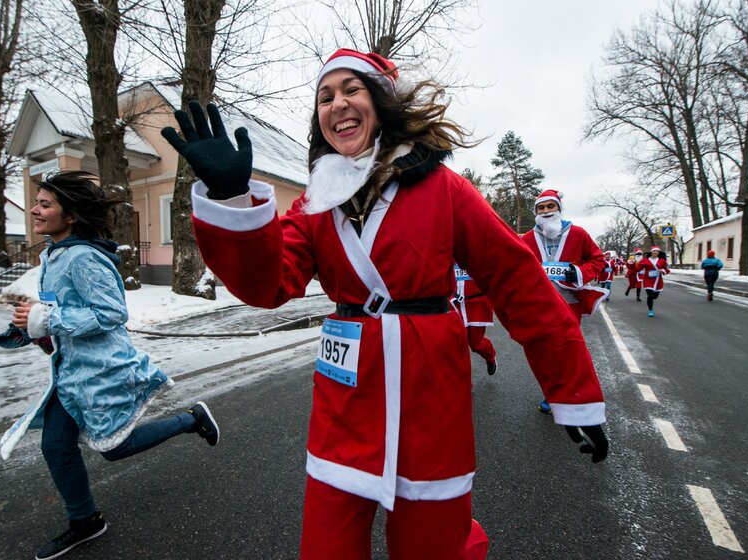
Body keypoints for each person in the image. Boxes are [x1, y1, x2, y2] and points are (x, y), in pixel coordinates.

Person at [161, 48, 608, 560]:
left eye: (352, 90)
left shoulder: (445, 188)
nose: (337, 104)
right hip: (342, 406)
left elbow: (517, 280)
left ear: (382, 102)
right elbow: (270, 284)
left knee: (432, 548)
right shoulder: (315, 203)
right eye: (325, 97)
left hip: (432, 400)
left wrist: (572, 392)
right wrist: (231, 196)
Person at [8, 171, 221, 560]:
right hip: (69, 373)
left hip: (99, 372)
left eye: (44, 204)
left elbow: (111, 313)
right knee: (56, 446)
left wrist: (47, 320)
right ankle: (85, 520)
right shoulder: (54, 254)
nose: (35, 210)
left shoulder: (83, 257)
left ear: (70, 216)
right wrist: (32, 327)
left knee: (113, 449)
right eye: (37, 201)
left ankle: (191, 418)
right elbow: (63, 311)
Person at [520, 189, 607, 414]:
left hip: (570, 302)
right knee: (546, 350)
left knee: (567, 348)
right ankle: (552, 393)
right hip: (541, 304)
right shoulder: (527, 239)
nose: (547, 211)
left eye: (551, 206)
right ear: (536, 212)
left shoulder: (578, 234)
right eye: (541, 208)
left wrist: (579, 272)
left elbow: (597, 259)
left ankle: (574, 393)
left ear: (559, 208)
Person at [451, 264, 498, 375]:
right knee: (457, 344)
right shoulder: (448, 251)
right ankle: (462, 381)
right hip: (454, 303)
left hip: (477, 303)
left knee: (476, 344)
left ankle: (490, 357)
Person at [637, 245, 670, 317]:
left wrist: (663, 270)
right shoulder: (645, 261)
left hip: (658, 281)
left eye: (657, 251)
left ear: (659, 252)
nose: (655, 252)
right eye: (654, 251)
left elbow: (667, 270)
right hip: (647, 280)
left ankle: (649, 298)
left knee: (654, 297)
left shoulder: (662, 261)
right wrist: (631, 264)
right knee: (650, 295)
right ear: (651, 252)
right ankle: (651, 310)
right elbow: (637, 269)